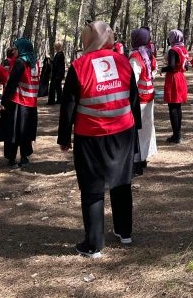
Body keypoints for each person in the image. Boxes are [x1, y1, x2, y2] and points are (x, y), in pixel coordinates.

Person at [57, 21, 141, 258]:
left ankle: (94, 245)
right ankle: (125, 232)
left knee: (92, 188)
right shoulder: (123, 61)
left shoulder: (79, 66)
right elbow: (133, 98)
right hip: (123, 132)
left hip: (91, 135)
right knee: (122, 182)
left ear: (87, 40)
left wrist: (64, 137)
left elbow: (69, 105)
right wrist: (137, 130)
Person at [0, 38, 39, 168]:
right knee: (26, 132)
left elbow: (12, 83)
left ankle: (12, 158)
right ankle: (25, 157)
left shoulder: (20, 62)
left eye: (16, 48)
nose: (14, 50)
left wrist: (3, 101)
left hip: (17, 101)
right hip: (31, 103)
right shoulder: (35, 62)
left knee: (13, 131)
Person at [129, 27, 156, 173]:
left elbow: (132, 79)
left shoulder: (135, 56)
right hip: (149, 96)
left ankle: (137, 162)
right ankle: (144, 157)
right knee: (146, 128)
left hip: (139, 98)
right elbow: (153, 71)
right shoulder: (148, 53)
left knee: (138, 130)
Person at [162, 29, 189, 144]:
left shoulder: (173, 50)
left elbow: (172, 66)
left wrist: (163, 69)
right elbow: (186, 66)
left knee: (172, 106)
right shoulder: (183, 49)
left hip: (173, 78)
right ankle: (178, 134)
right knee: (178, 107)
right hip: (181, 77)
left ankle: (176, 136)